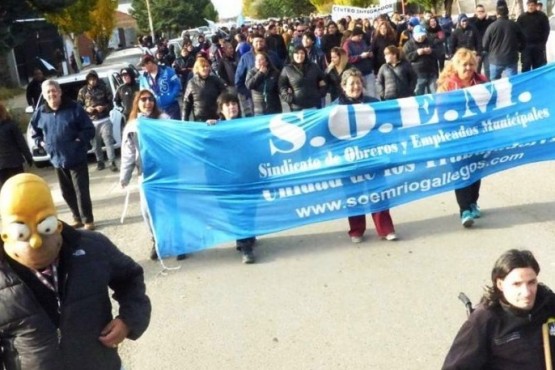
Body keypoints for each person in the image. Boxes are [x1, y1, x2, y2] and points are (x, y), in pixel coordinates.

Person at [0, 173, 151, 370]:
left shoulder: (93, 248)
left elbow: (130, 278)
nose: (35, 242)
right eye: (22, 233)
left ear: (57, 225)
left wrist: (128, 320)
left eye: (45, 228)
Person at [442, 249, 555, 370]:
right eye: (517, 284)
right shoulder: (484, 320)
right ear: (500, 284)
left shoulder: (548, 305)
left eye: (531, 282)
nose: (526, 292)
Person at [120, 89, 187, 261]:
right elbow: (128, 152)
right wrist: (124, 176)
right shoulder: (133, 126)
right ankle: (157, 240)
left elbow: (177, 140)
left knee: (172, 208)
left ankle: (178, 242)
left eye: (150, 99)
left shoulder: (163, 120)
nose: (147, 102)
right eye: (143, 99)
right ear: (138, 103)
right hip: (146, 174)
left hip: (166, 172)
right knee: (148, 211)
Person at [338, 68, 397, 243]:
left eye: (358, 83)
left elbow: (384, 127)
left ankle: (385, 229)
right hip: (349, 158)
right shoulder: (336, 108)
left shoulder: (373, 103)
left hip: (372, 155)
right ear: (343, 87)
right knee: (353, 194)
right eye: (351, 84)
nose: (355, 87)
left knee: (378, 191)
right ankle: (356, 230)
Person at [31, 79, 96, 230]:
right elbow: (35, 133)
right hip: (57, 159)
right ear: (44, 95)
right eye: (48, 92)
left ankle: (88, 220)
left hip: (76, 156)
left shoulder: (74, 108)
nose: (51, 94)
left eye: (54, 91)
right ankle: (77, 217)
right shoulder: (40, 112)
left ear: (59, 92)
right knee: (66, 192)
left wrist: (79, 139)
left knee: (81, 191)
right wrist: (41, 143)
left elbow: (89, 129)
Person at [437, 48, 487, 227]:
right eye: (464, 64)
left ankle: (473, 202)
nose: (468, 68)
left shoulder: (482, 82)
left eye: (471, 64)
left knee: (476, 169)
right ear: (456, 66)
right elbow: (441, 114)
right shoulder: (447, 86)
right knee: (461, 171)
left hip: (479, 135)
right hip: (456, 137)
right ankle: (464, 210)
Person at [206, 92, 257, 264]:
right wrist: (209, 127)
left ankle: (246, 237)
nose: (232, 107)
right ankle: (245, 247)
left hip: (247, 175)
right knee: (235, 211)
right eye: (227, 105)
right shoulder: (215, 128)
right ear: (221, 109)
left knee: (249, 209)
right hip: (227, 179)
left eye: (234, 103)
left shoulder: (247, 125)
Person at [77, 70, 118, 172]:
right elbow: (78, 106)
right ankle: (100, 161)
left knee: (108, 141)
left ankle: (112, 161)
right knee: (95, 143)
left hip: (104, 119)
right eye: (90, 79)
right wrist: (87, 109)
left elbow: (111, 103)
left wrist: (104, 107)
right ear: (88, 80)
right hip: (91, 121)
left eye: (94, 79)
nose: (93, 81)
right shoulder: (83, 91)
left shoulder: (104, 88)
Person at [482, 4, 526, 80]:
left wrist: (489, 52)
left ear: (497, 13)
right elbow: (523, 40)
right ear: (507, 13)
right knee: (513, 83)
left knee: (494, 84)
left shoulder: (492, 26)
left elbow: (484, 44)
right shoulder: (514, 25)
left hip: (495, 59)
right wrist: (519, 49)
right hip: (511, 59)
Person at [278, 45, 327, 111]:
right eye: (297, 53)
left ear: (305, 55)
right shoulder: (287, 69)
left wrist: (321, 93)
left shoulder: (314, 66)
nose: (300, 56)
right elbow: (281, 85)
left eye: (302, 53)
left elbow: (323, 79)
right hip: (297, 106)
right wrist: (289, 98)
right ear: (293, 55)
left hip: (314, 104)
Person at [182, 57, 227, 122]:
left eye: (207, 66)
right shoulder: (191, 83)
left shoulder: (215, 80)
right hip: (200, 120)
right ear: (197, 69)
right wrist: (184, 120)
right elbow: (187, 102)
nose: (206, 68)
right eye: (203, 66)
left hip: (216, 118)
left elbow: (224, 96)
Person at [0, 102, 33, 190]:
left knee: (7, 189)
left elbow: (21, 142)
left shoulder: (10, 125)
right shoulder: (11, 125)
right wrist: (28, 157)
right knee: (20, 187)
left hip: (6, 164)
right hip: (15, 162)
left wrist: (28, 156)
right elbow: (21, 142)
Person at [138, 54, 182, 119]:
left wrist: (171, 97)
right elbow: (142, 93)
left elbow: (177, 85)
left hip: (172, 108)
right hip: (155, 109)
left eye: (143, 65)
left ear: (150, 63)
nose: (142, 68)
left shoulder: (167, 70)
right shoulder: (143, 77)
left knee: (174, 128)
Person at [404, 25, 441, 95]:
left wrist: (431, 51)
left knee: (435, 93)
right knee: (418, 94)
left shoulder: (431, 41)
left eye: (422, 36)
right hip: (417, 74)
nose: (420, 38)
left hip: (431, 72)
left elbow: (439, 52)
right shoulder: (408, 45)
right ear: (414, 35)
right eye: (418, 36)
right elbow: (405, 58)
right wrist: (416, 53)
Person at [516, 0, 550, 73]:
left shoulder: (542, 16)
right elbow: (517, 32)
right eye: (529, 5)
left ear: (535, 6)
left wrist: (542, 43)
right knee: (526, 67)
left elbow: (546, 30)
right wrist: (519, 45)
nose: (530, 7)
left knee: (538, 67)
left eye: (532, 5)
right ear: (527, 6)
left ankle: (538, 83)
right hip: (526, 47)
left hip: (538, 46)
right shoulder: (522, 17)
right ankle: (526, 83)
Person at [343, 27, 376, 98]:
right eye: (358, 36)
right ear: (353, 35)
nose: (360, 38)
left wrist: (369, 54)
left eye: (361, 36)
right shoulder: (347, 44)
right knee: (360, 93)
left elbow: (367, 50)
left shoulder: (363, 42)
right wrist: (360, 57)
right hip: (357, 73)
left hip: (368, 71)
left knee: (372, 93)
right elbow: (348, 59)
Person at [468, 4, 495, 79]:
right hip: (477, 51)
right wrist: (479, 19)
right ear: (475, 12)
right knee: (476, 71)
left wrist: (488, 19)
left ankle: (488, 85)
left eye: (482, 11)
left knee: (488, 70)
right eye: (479, 11)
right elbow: (473, 27)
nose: (481, 13)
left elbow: (494, 24)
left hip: (487, 49)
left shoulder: (488, 21)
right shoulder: (472, 21)